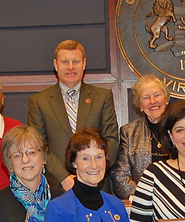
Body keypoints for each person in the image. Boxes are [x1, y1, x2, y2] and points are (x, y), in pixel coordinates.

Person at [28, 40, 119, 192]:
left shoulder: (102, 97)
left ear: (84, 64)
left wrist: (92, 172)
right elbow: (38, 147)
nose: (70, 67)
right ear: (56, 65)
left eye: (75, 61)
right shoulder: (39, 102)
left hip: (96, 184)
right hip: (58, 188)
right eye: (65, 62)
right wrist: (63, 177)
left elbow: (112, 141)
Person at [110, 74, 171, 199]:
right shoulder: (129, 132)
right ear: (140, 105)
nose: (153, 101)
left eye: (157, 95)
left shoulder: (181, 128)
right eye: (146, 97)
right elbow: (119, 176)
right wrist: (146, 196)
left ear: (166, 99)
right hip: (144, 203)